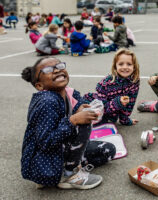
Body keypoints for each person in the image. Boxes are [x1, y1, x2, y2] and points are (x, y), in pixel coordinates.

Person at [21, 57, 116, 189]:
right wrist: (74, 120)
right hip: (45, 160)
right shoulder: (47, 101)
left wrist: (87, 108)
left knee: (108, 150)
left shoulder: (68, 92)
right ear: (39, 86)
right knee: (82, 122)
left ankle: (69, 165)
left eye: (59, 66)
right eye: (48, 69)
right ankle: (68, 175)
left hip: (62, 149)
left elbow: (80, 103)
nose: (56, 70)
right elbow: (45, 141)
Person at [84, 49, 140, 126]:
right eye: (121, 64)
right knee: (95, 123)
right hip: (94, 106)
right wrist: (118, 102)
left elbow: (130, 104)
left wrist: (125, 120)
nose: (125, 67)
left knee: (111, 120)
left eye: (129, 64)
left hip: (111, 112)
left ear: (134, 66)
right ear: (115, 66)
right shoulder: (105, 83)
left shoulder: (134, 81)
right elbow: (101, 108)